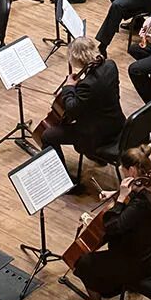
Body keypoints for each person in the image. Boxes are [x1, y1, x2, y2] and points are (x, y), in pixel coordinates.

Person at [68, 147, 151, 300]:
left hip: (143, 264)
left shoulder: (141, 204)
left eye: (123, 170)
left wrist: (119, 199)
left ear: (131, 171)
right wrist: (117, 194)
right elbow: (135, 204)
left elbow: (113, 227)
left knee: (82, 261)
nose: (122, 174)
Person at [36, 38, 124, 192]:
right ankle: (96, 157)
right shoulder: (110, 65)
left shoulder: (88, 85)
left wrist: (69, 88)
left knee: (48, 135)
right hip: (116, 124)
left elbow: (71, 109)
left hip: (97, 135)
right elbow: (95, 95)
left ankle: (63, 182)